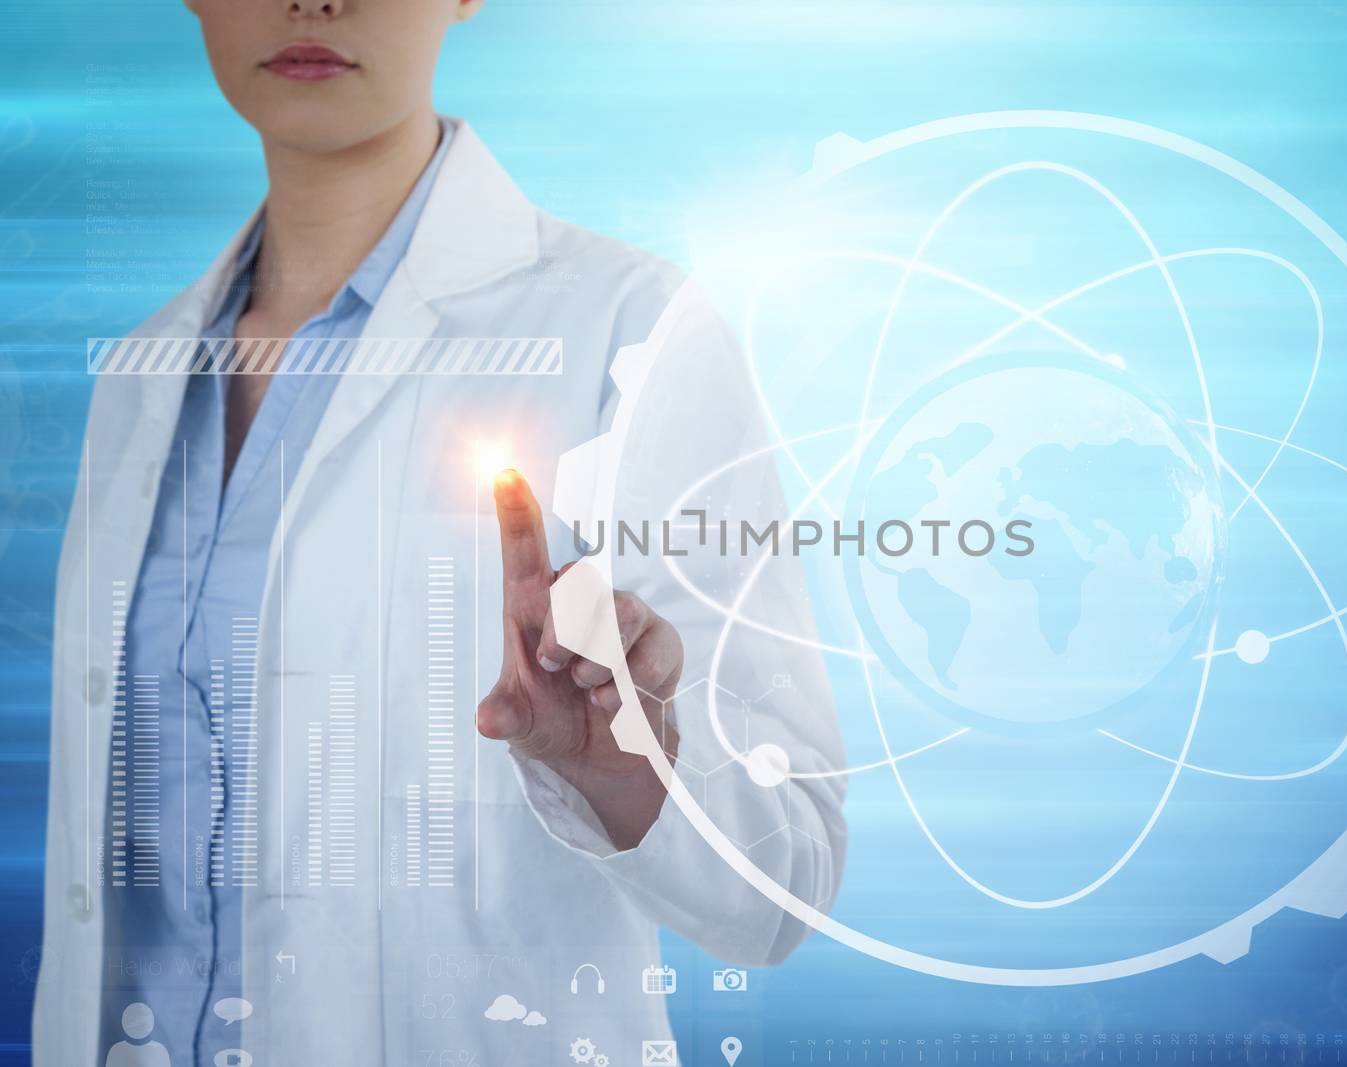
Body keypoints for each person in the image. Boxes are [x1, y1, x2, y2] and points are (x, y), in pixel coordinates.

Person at [34, 1, 846, 1064]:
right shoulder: (141, 381)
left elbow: (785, 883)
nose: (312, 0)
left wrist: (618, 765)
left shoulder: (634, 330)